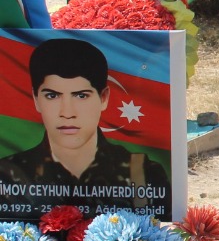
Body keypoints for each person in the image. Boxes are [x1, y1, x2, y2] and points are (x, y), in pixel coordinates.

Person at [0, 38, 148, 217]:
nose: (67, 113)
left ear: (103, 98)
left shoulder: (143, 173)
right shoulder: (7, 174)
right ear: (36, 99)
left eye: (81, 96)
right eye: (52, 96)